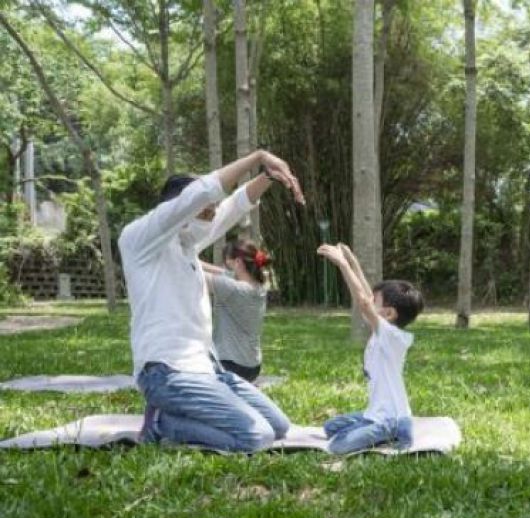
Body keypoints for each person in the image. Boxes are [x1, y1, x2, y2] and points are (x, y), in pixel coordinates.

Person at [118, 151, 304, 453]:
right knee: (256, 437)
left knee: (279, 427)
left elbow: (233, 206)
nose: (211, 218)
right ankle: (161, 423)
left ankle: (180, 414)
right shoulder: (139, 239)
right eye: (205, 212)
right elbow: (203, 192)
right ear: (179, 208)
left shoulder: (187, 243)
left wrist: (269, 176)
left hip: (209, 369)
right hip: (166, 373)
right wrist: (257, 157)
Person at [316, 243, 424, 455]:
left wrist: (342, 264)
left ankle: (393, 432)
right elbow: (367, 297)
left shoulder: (393, 337)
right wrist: (353, 262)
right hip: (375, 412)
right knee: (330, 428)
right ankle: (372, 427)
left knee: (337, 446)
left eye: (376, 301)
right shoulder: (383, 329)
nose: (369, 302)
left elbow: (364, 302)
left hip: (392, 418)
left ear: (389, 313)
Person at [201, 239, 271, 383]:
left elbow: (195, 275)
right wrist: (193, 259)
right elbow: (223, 272)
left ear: (238, 262)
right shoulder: (260, 287)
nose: (227, 266)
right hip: (253, 366)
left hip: (230, 366)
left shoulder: (234, 289)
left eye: (229, 262)